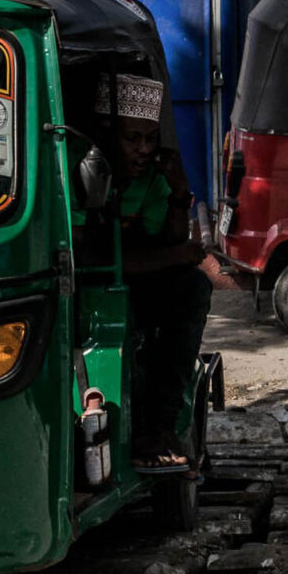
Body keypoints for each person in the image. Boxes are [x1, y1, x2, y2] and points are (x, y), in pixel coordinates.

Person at [106, 73, 212, 472]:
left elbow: (165, 241)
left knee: (192, 288)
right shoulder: (80, 176)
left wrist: (180, 193)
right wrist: (178, 254)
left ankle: (159, 426)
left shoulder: (151, 181)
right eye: (132, 139)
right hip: (88, 287)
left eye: (150, 140)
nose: (143, 149)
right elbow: (102, 256)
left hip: (139, 286)